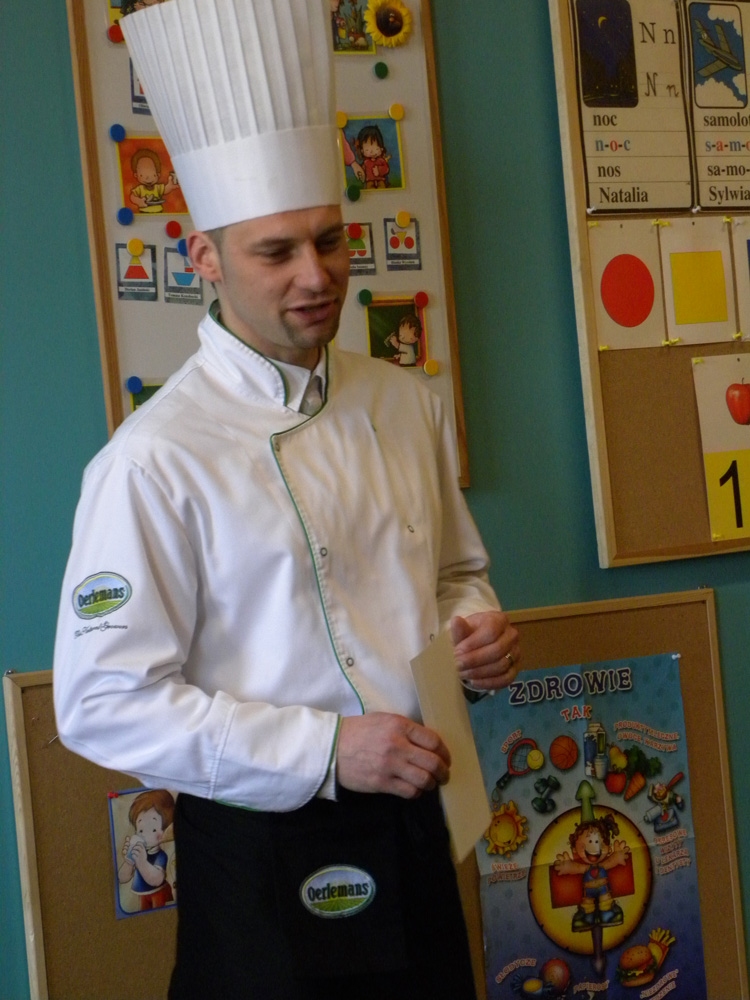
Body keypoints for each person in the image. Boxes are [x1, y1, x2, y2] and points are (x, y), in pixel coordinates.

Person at [53, 1, 520, 997]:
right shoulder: (152, 462)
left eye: (330, 241)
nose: (317, 277)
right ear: (205, 258)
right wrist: (326, 749)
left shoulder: (406, 402)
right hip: (261, 855)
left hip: (422, 816)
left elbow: (454, 572)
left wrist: (472, 632)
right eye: (275, 253)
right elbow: (100, 705)